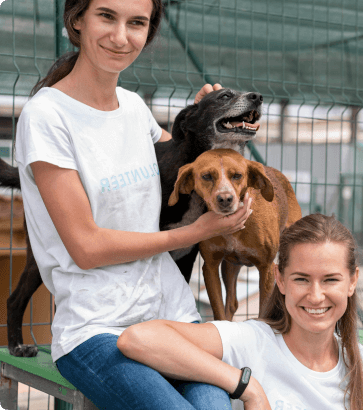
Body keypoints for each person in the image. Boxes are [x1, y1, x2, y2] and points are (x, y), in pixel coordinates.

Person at [15, 0, 251, 408]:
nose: (121, 37)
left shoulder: (134, 108)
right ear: (77, 19)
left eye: (137, 23)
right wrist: (194, 233)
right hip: (95, 327)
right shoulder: (47, 117)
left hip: (172, 316)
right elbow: (86, 248)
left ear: (148, 32)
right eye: (106, 16)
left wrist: (205, 120)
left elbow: (189, 165)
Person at [118, 214, 363, 410]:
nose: (315, 295)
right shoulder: (252, 341)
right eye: (301, 279)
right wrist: (246, 387)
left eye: (330, 279)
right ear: (278, 279)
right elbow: (138, 338)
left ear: (352, 282)